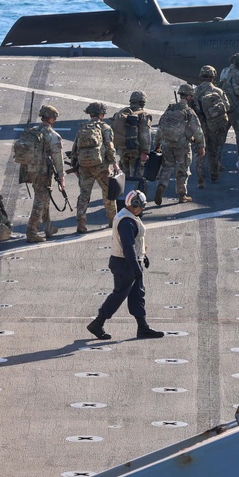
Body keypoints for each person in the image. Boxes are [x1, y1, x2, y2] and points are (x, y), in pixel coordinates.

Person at [86, 190, 164, 341]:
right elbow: (128, 247)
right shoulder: (126, 222)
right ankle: (97, 323)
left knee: (137, 294)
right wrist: (136, 267)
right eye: (141, 206)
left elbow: (135, 242)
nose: (142, 209)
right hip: (125, 264)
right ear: (134, 204)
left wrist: (143, 256)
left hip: (130, 261)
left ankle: (143, 327)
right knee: (119, 295)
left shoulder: (129, 216)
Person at [153, 84, 205, 206]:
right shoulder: (188, 112)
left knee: (167, 167)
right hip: (182, 146)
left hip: (167, 144)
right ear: (189, 96)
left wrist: (157, 143)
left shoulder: (169, 110)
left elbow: (160, 128)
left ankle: (161, 185)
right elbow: (197, 130)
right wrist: (201, 145)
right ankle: (182, 195)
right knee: (183, 169)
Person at [72, 102, 119, 234]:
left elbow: (75, 148)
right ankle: (113, 220)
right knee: (109, 193)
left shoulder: (83, 128)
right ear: (101, 114)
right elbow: (109, 147)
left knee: (84, 195)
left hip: (84, 167)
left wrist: (75, 166)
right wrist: (114, 163)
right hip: (101, 167)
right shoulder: (105, 128)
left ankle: (81, 222)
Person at [25, 104, 66, 243]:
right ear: (52, 119)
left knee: (44, 198)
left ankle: (48, 227)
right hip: (43, 173)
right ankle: (31, 232)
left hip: (30, 170)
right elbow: (58, 160)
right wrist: (62, 177)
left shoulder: (31, 132)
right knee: (40, 201)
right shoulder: (52, 136)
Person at [192, 65, 230, 188]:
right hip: (214, 126)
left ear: (201, 76)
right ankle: (214, 173)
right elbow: (227, 106)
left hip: (199, 126)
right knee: (213, 150)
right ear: (213, 77)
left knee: (199, 152)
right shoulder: (218, 91)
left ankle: (200, 180)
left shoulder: (195, 92)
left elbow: (191, 109)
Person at [111, 91, 154, 181]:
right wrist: (145, 152)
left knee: (124, 176)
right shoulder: (143, 115)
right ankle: (135, 190)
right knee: (137, 177)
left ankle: (124, 189)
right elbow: (144, 134)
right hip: (135, 151)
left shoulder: (121, 113)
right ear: (143, 102)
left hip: (122, 149)